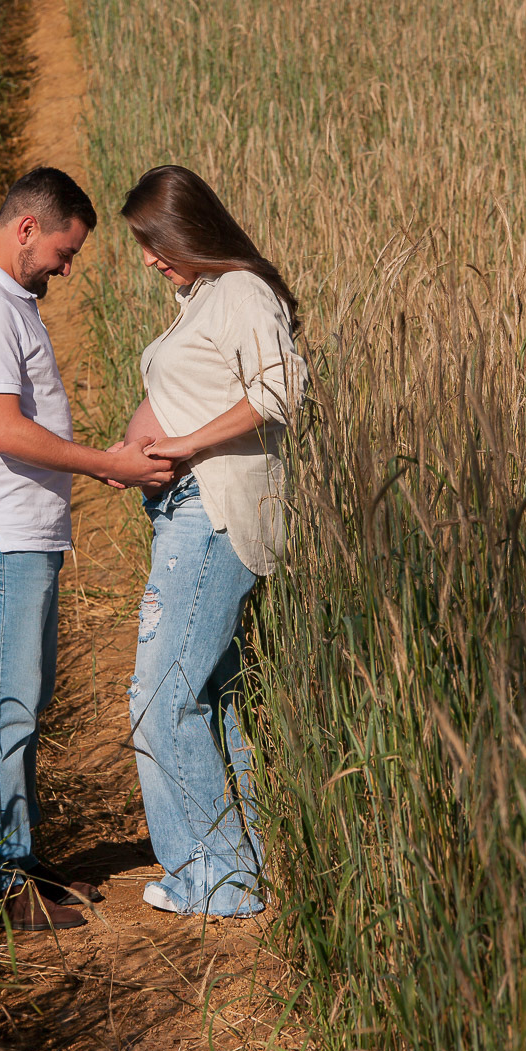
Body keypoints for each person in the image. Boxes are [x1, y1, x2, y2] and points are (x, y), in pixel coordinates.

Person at [0, 166, 173, 932]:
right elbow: (4, 430)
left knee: (20, 701)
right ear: (27, 228)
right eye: (65, 253)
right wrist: (105, 463)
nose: (67, 270)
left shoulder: (4, 297)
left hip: (16, 533)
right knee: (4, 706)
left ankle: (17, 859)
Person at [119, 165, 308, 918]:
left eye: (155, 243)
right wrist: (131, 454)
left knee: (158, 697)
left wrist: (185, 445)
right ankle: (239, 869)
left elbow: (279, 390)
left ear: (189, 229)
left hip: (214, 511)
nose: (148, 260)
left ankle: (216, 877)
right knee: (206, 696)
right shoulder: (200, 299)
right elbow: (187, 392)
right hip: (187, 510)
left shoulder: (239, 291)